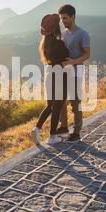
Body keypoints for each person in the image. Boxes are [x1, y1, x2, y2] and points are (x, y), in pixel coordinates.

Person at [31, 14, 70, 145]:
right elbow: (67, 58)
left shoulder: (44, 44)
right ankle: (52, 137)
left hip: (49, 74)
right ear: (55, 28)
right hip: (59, 75)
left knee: (49, 106)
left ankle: (36, 129)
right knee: (57, 106)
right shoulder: (59, 43)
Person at [57, 4, 91, 143]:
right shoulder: (63, 34)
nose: (63, 21)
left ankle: (76, 132)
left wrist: (73, 62)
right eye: (61, 19)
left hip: (76, 72)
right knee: (61, 101)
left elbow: (87, 54)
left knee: (75, 102)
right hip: (63, 72)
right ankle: (64, 127)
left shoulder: (83, 34)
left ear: (72, 17)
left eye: (65, 18)